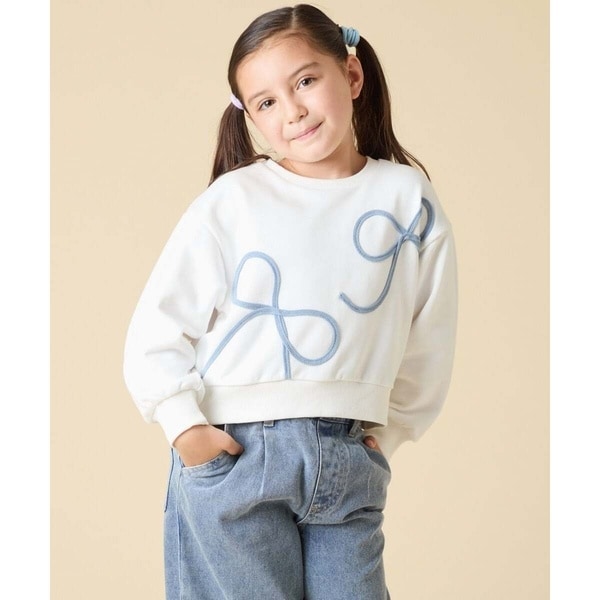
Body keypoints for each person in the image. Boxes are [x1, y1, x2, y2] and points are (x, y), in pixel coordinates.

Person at [123, 4, 458, 599]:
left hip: (348, 455)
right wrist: (186, 428)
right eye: (266, 102)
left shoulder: (407, 198)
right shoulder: (233, 201)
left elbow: (430, 330)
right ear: (249, 116)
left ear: (351, 75)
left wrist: (394, 431)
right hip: (236, 454)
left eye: (305, 81)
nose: (293, 110)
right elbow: (157, 327)